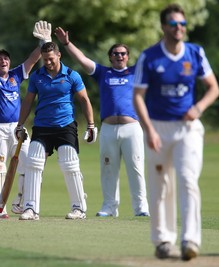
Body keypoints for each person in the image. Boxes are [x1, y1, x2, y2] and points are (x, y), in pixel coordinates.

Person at [133, 3, 219, 261]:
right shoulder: (149, 57)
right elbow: (138, 96)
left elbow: (213, 88)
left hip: (188, 128)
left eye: (182, 24)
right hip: (158, 127)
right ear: (164, 27)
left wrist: (199, 107)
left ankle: (190, 240)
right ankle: (163, 240)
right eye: (173, 24)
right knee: (161, 186)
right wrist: (148, 130)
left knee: (187, 179)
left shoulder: (195, 53)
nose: (179, 28)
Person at [54, 27, 150, 217]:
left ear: (128, 56)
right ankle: (109, 206)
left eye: (123, 53)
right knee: (108, 168)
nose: (119, 56)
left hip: (132, 128)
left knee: (136, 167)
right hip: (108, 128)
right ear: (110, 57)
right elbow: (82, 60)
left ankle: (141, 208)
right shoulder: (103, 73)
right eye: (115, 53)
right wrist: (66, 43)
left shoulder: (135, 72)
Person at [0, 21, 52, 219]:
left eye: (6, 59)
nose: (3, 61)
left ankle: (22, 202)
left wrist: (43, 43)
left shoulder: (16, 75)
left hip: (17, 129)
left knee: (31, 164)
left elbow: (32, 60)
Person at [15, 41, 97, 221]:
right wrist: (20, 125)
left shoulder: (71, 75)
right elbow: (28, 101)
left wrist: (91, 125)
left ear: (59, 55)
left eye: (51, 59)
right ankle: (31, 209)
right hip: (42, 126)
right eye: (45, 60)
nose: (48, 63)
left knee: (69, 163)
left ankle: (79, 208)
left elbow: (84, 99)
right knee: (33, 163)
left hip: (65, 125)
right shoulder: (37, 76)